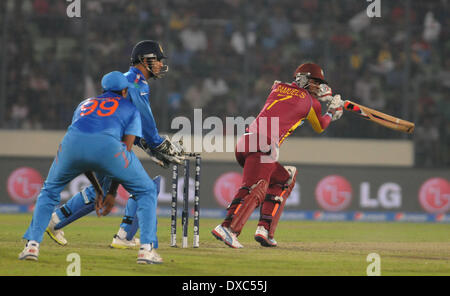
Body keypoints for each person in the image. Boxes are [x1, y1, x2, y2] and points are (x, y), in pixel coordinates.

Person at [45, 40, 183, 250]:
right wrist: (158, 144)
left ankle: (54, 221)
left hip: (101, 141)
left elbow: (131, 125)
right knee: (146, 189)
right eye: (157, 60)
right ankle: (125, 237)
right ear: (145, 60)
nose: (160, 65)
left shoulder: (128, 80)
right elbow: (145, 122)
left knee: (97, 192)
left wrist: (149, 146)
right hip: (111, 147)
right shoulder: (136, 84)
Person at [19, 71, 163, 264]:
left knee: (49, 191)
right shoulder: (130, 109)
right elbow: (125, 151)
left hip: (71, 145)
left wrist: (98, 189)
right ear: (123, 90)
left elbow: (83, 149)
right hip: (108, 148)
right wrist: (110, 192)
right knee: (146, 190)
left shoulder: (84, 104)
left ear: (103, 89)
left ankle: (32, 246)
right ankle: (146, 250)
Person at [211, 63, 344, 248]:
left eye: (319, 84)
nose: (317, 86)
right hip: (264, 144)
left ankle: (264, 230)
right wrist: (332, 111)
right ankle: (228, 228)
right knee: (256, 187)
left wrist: (318, 97)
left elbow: (292, 95)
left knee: (284, 179)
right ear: (304, 79)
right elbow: (320, 125)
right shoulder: (311, 103)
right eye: (315, 82)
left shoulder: (277, 87)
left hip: (246, 142)